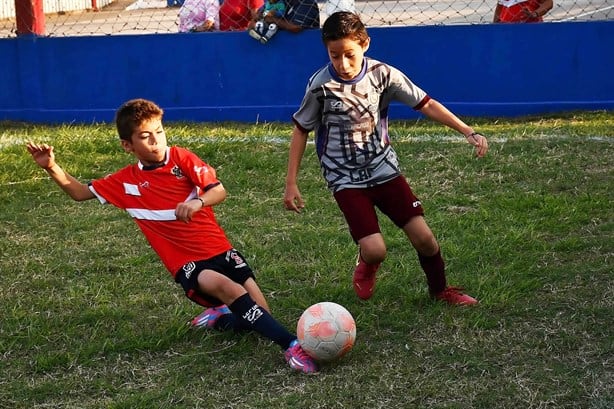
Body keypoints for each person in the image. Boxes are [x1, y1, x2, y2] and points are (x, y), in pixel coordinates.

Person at [26, 98, 318, 374]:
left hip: (221, 250)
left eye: (159, 131)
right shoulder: (126, 181)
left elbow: (219, 190)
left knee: (256, 315)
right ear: (127, 145)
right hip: (189, 264)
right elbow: (80, 193)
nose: (156, 140)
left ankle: (219, 318)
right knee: (226, 288)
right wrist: (52, 166)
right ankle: (291, 345)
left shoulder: (182, 159)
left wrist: (197, 201)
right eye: (145, 136)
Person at [283, 12, 489, 305]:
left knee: (425, 239)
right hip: (344, 178)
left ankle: (440, 290)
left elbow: (426, 104)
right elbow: (301, 130)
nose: (342, 63)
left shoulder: (384, 75)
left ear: (365, 44)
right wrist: (291, 182)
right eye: (334, 55)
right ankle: (367, 263)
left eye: (349, 54)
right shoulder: (320, 86)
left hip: (384, 170)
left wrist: (467, 130)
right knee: (376, 249)